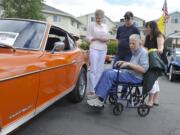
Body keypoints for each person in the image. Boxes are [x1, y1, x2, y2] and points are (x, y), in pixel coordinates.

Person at [87, 34, 149, 107]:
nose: (131, 45)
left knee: (110, 74)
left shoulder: (143, 52)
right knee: (106, 71)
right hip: (130, 74)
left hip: (135, 77)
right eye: (130, 43)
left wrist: (128, 64)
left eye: (133, 43)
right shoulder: (136, 51)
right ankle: (97, 95)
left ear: (140, 43)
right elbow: (133, 64)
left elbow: (144, 69)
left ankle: (100, 99)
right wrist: (124, 62)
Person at [113, 11, 140, 97]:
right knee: (114, 71)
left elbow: (138, 42)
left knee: (126, 73)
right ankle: (113, 92)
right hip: (119, 54)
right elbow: (118, 39)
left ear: (132, 19)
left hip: (129, 55)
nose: (127, 20)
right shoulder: (120, 28)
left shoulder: (135, 29)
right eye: (125, 18)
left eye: (128, 18)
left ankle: (124, 93)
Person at [86, 9, 109, 99]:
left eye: (99, 18)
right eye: (96, 18)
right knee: (93, 70)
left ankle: (97, 90)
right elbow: (88, 37)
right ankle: (92, 90)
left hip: (103, 48)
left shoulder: (105, 26)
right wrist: (96, 38)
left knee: (100, 70)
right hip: (94, 48)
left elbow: (107, 37)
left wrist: (107, 40)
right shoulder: (91, 25)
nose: (98, 19)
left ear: (102, 18)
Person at [144, 21, 165, 107]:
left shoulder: (159, 36)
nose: (147, 29)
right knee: (155, 79)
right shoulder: (148, 36)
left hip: (158, 60)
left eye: (148, 27)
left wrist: (156, 50)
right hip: (150, 59)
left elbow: (161, 49)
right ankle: (155, 99)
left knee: (152, 78)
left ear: (152, 27)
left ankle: (150, 100)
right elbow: (145, 48)